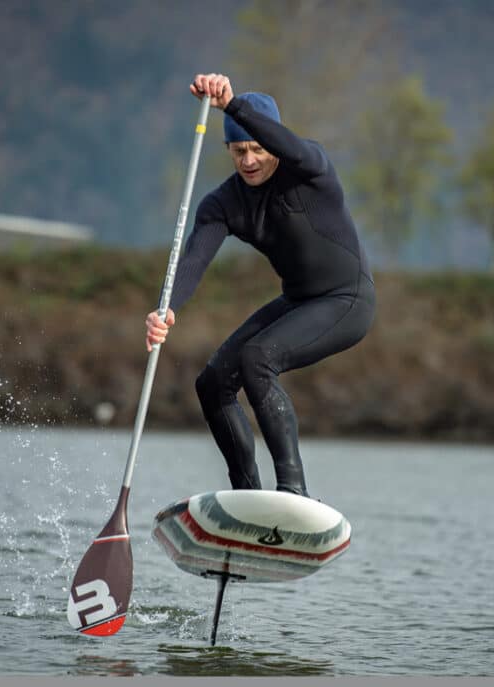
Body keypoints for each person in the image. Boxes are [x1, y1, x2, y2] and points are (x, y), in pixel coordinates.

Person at [145, 73, 375, 498]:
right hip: (299, 301)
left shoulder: (310, 169)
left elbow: (289, 144)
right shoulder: (223, 204)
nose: (248, 161)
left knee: (257, 358)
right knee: (213, 383)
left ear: (275, 146)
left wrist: (233, 106)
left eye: (257, 149)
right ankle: (247, 499)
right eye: (238, 151)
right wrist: (167, 308)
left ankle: (293, 492)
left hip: (347, 300)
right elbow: (194, 258)